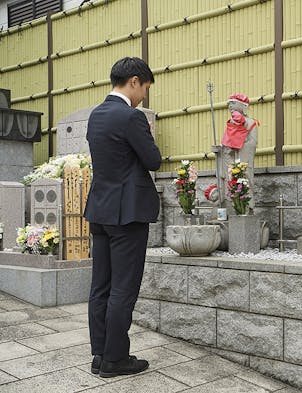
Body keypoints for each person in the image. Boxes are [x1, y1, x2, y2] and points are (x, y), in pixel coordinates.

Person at [84, 57, 161, 378]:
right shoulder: (131, 117)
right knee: (123, 289)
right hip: (126, 214)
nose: (144, 95)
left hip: (100, 211)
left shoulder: (96, 115)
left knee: (100, 286)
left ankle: (100, 355)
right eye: (144, 87)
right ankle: (116, 359)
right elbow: (153, 160)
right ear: (133, 81)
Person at [220, 93, 259, 212]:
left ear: (243, 106)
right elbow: (226, 145)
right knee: (230, 183)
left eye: (233, 103)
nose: (230, 106)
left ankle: (247, 209)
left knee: (246, 182)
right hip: (232, 161)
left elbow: (252, 143)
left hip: (244, 160)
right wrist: (226, 148)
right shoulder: (231, 123)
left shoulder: (251, 122)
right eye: (228, 104)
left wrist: (239, 144)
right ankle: (232, 209)